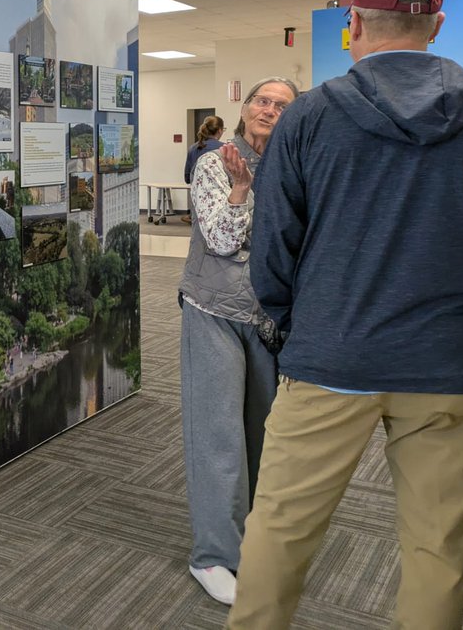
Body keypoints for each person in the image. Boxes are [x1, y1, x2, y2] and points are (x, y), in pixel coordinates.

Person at [230, 0, 463, 630]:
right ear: (437, 25)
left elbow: (272, 244)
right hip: (451, 365)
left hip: (330, 355)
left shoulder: (308, 115)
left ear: (352, 26)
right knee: (438, 547)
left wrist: (296, 325)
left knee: (280, 529)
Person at [177, 76, 299, 605]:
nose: (269, 110)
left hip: (267, 320)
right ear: (245, 108)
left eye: (281, 105)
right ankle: (212, 555)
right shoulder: (215, 163)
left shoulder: (293, 166)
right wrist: (241, 191)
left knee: (263, 437)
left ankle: (249, 540)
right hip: (215, 313)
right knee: (219, 437)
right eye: (261, 101)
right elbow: (223, 239)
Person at [183, 115, 225, 184]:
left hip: (197, 189)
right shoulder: (224, 148)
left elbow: (187, 178)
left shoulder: (192, 148)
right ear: (220, 130)